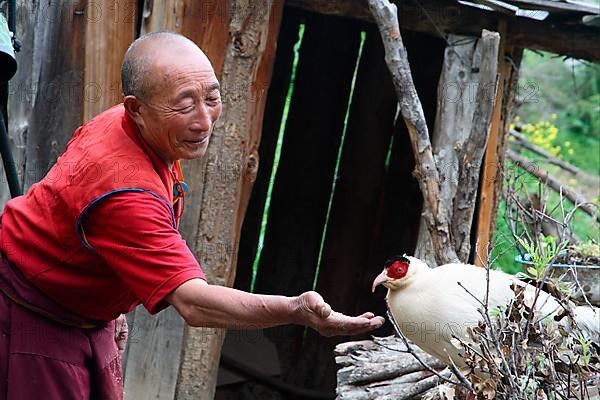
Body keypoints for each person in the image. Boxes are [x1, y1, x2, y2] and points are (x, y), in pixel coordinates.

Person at [0, 32, 384, 399]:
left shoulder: (133, 124)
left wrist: (111, 306)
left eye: (212, 98)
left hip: (80, 310)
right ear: (136, 108)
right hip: (33, 317)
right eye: (184, 104)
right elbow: (194, 304)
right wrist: (296, 309)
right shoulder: (125, 188)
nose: (204, 121)